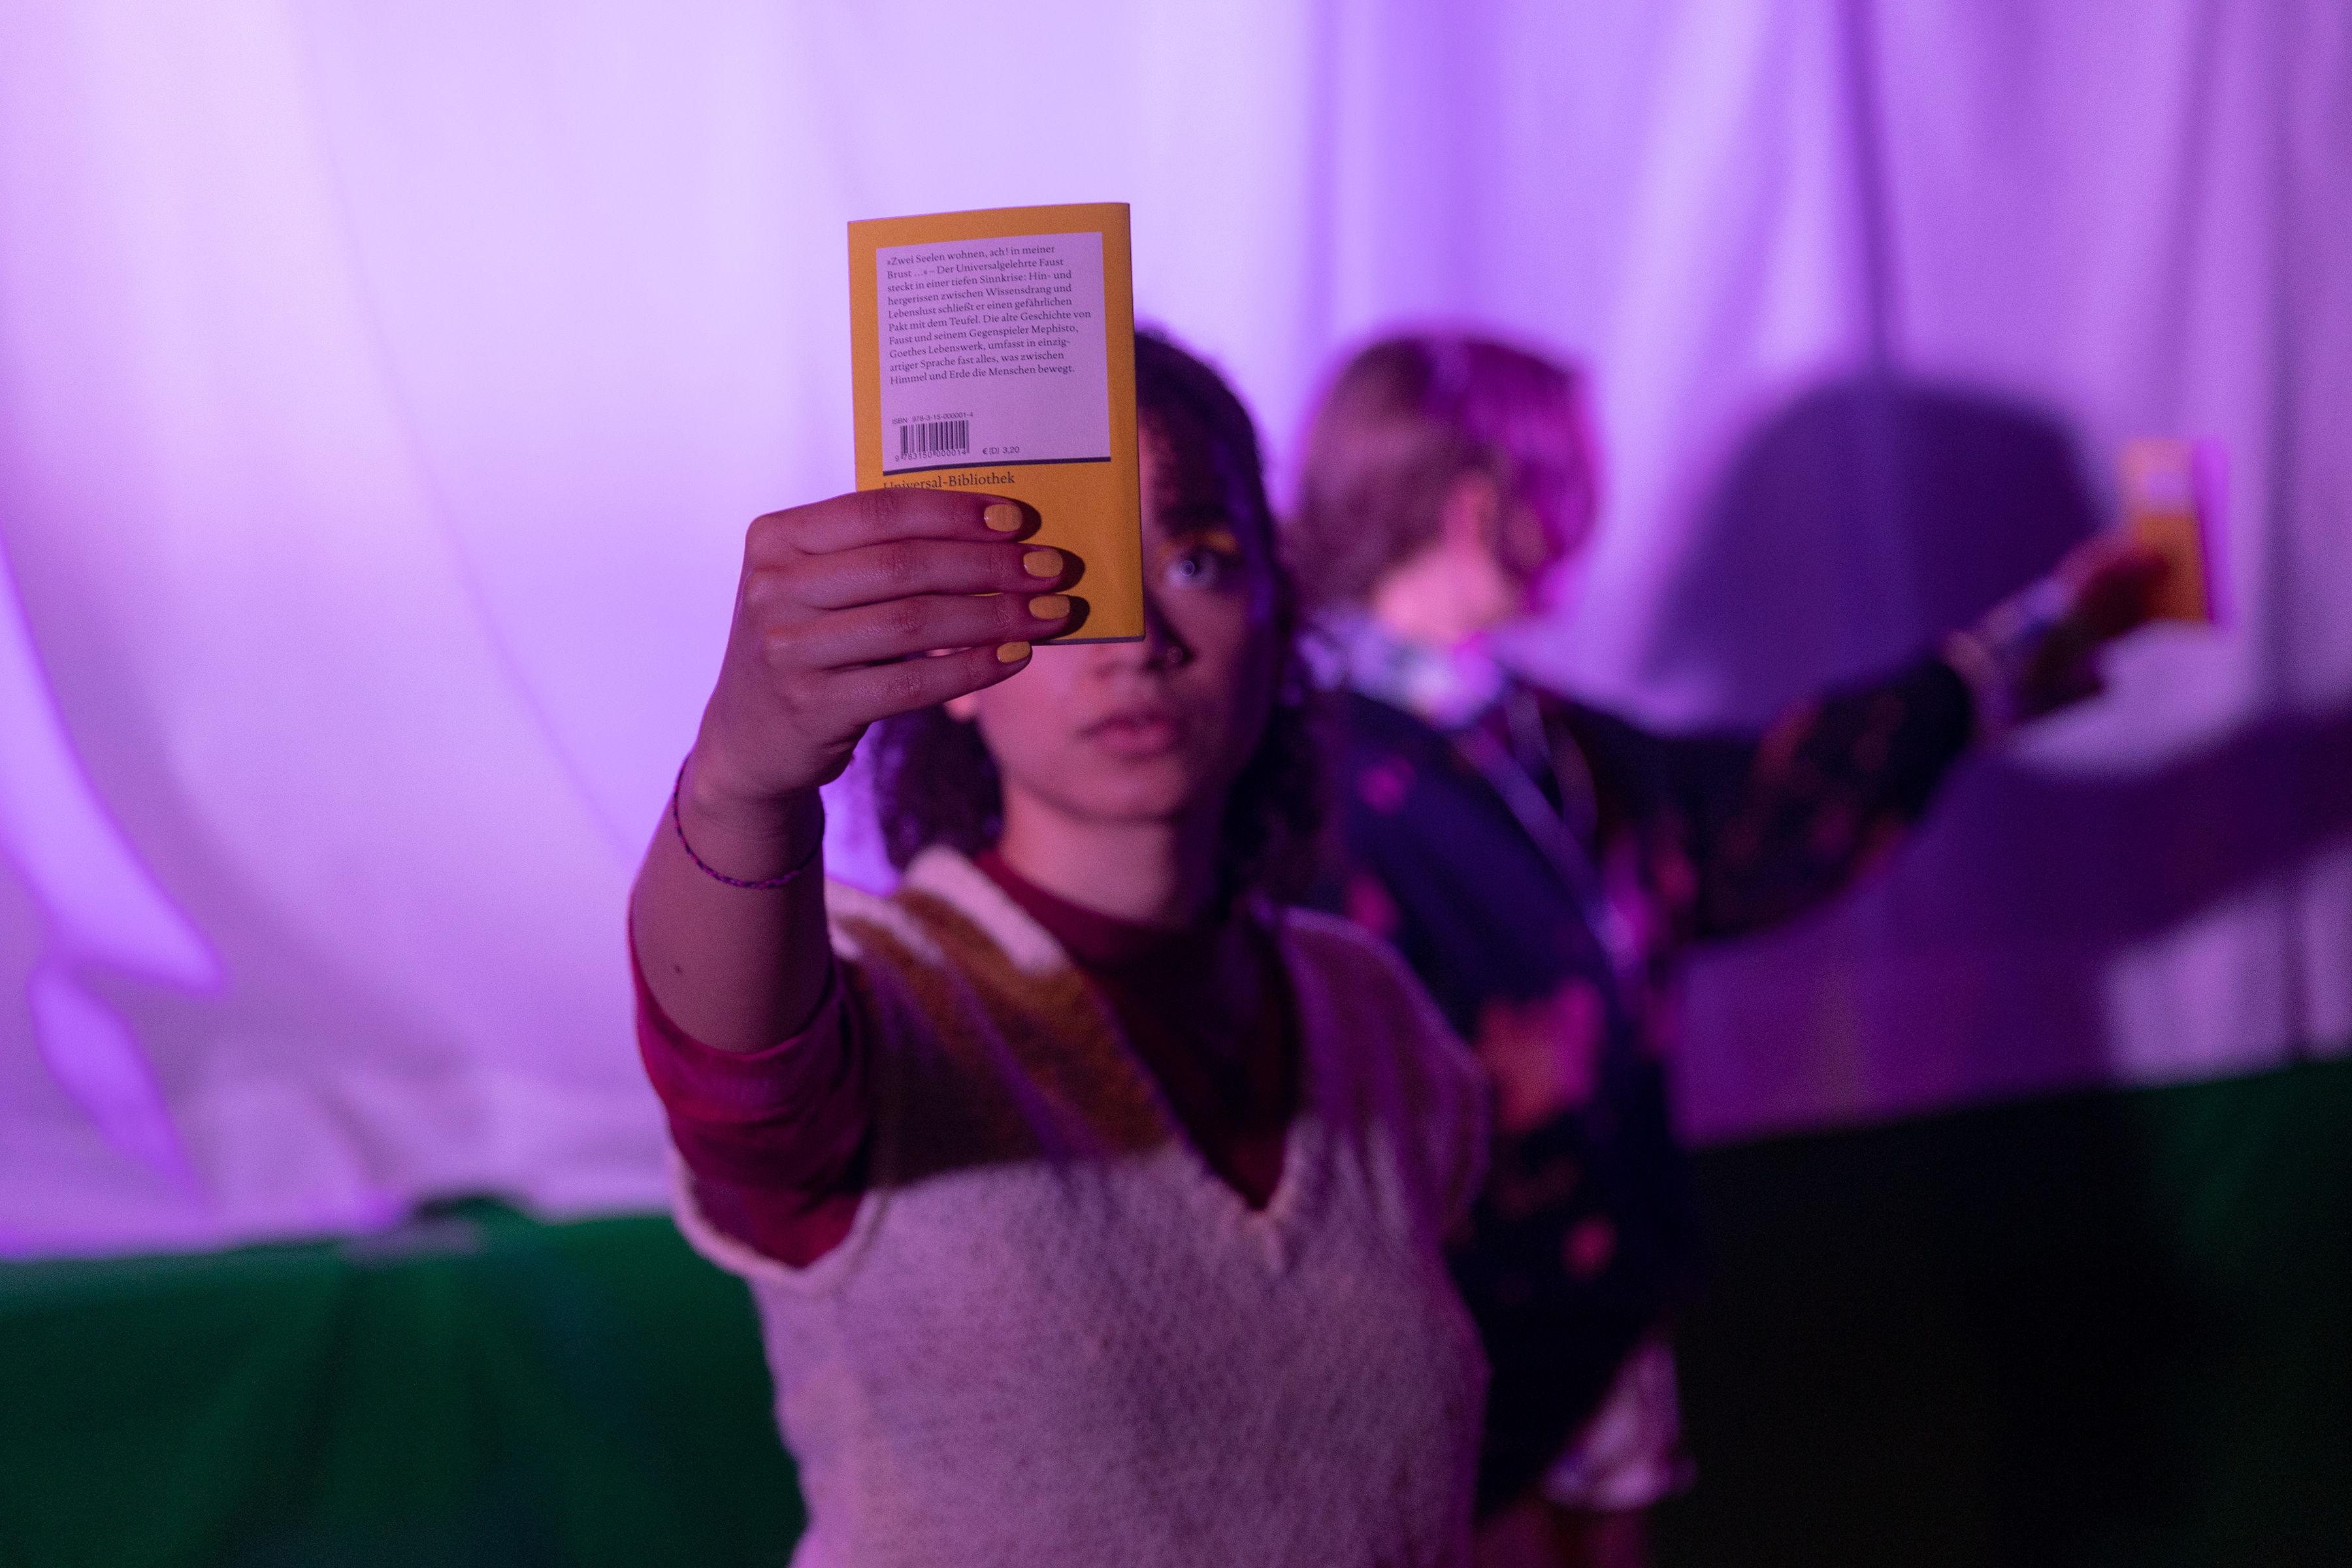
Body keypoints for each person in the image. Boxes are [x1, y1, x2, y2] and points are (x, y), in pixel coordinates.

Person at [1288, 333, 2165, 1568]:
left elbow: (1756, 809)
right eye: (1566, 485)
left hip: (1598, 1315)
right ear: (1484, 504)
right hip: (1432, 1350)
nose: (1582, 520)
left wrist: (2031, 646)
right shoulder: (1296, 779)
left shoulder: (1538, 744)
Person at [629, 331, 1491, 1567]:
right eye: (1071, 568)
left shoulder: (1371, 1017)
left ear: (1279, 610)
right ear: (956, 662)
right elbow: (736, 1073)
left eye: (1197, 555)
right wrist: (738, 780)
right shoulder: (888, 1010)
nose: (1138, 637)